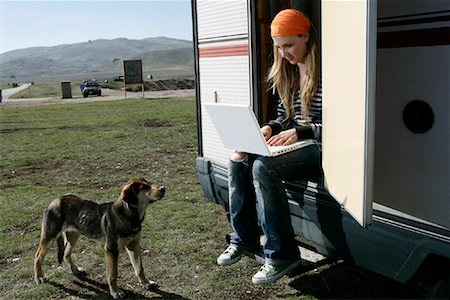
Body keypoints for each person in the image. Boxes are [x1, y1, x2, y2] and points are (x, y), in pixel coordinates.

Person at [216, 8, 323, 285]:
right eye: (279, 47)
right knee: (237, 158)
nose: (285, 53)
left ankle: (282, 254)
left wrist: (299, 132)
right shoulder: (286, 72)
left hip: (322, 146)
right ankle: (244, 238)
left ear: (306, 36)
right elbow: (283, 117)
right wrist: (269, 128)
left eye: (289, 45)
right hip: (297, 142)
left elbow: (345, 127)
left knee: (263, 166)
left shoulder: (328, 72)